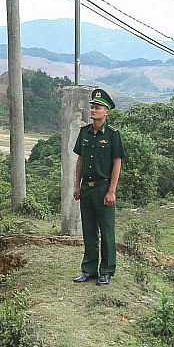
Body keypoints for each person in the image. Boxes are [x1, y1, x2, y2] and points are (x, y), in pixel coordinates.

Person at [72, 88, 124, 285]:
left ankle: (107, 270)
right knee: (89, 230)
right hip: (87, 188)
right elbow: (80, 160)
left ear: (107, 112)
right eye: (92, 107)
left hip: (104, 189)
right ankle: (89, 269)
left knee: (107, 230)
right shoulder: (84, 132)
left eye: (98, 107)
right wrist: (76, 185)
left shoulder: (112, 135)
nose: (93, 110)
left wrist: (112, 191)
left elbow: (117, 162)